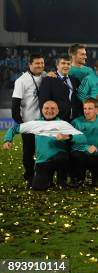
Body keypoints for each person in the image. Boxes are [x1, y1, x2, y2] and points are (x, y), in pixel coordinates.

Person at [3, 100, 73, 190]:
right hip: (43, 161)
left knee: (62, 157)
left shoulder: (63, 124)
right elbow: (15, 128)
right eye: (46, 108)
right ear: (42, 110)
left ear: (58, 111)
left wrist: (68, 137)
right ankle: (49, 179)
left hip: (59, 159)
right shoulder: (35, 124)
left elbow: (78, 136)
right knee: (38, 187)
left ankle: (61, 181)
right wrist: (8, 140)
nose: (49, 111)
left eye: (53, 108)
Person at [11, 53, 46, 185]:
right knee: (28, 151)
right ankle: (29, 175)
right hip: (29, 122)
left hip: (44, 122)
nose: (40, 65)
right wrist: (21, 124)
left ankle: (42, 174)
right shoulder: (21, 80)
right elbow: (15, 105)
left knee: (44, 150)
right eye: (37, 63)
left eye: (42, 63)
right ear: (30, 64)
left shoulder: (45, 76)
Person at [39, 55, 82, 121]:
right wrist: (47, 120)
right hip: (57, 120)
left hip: (74, 120)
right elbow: (44, 102)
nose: (66, 66)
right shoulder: (49, 80)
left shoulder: (75, 80)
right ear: (57, 65)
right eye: (63, 63)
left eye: (68, 64)